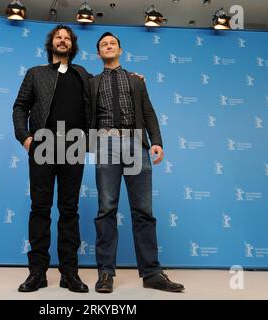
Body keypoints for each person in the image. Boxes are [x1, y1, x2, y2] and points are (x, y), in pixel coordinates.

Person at [89, 32, 185, 293]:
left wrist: (156, 141)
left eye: (112, 43)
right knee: (106, 209)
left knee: (143, 210)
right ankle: (105, 273)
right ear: (98, 54)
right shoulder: (91, 82)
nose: (108, 47)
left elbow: (148, 111)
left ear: (120, 49)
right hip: (106, 144)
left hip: (135, 144)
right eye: (103, 45)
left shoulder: (136, 80)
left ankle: (152, 273)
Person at [12, 25, 91, 293]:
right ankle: (38, 273)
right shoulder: (36, 73)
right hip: (43, 143)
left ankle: (70, 273)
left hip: (74, 146)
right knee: (40, 208)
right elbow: (20, 106)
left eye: (67, 37)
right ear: (51, 43)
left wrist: (133, 79)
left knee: (70, 211)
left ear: (73, 45)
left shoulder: (83, 74)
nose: (62, 40)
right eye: (58, 36)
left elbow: (103, 91)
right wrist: (25, 137)